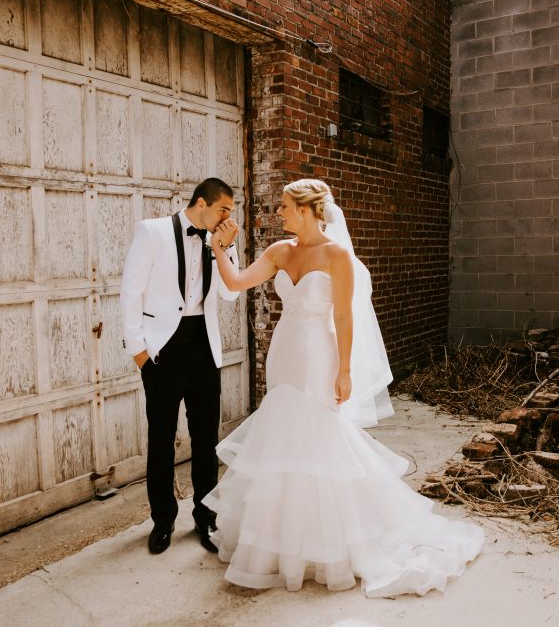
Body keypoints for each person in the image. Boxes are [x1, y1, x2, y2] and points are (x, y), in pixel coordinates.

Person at [203, 178, 483, 598]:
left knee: (320, 435)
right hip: (285, 352)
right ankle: (282, 543)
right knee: (283, 433)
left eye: (283, 206)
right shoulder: (279, 251)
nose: (277, 213)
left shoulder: (337, 256)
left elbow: (347, 319)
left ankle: (332, 543)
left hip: (320, 352)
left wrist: (345, 371)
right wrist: (219, 249)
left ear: (306, 209)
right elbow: (237, 283)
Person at [120, 177, 241, 555]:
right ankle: (163, 519)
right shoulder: (152, 232)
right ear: (202, 203)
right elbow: (130, 291)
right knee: (161, 438)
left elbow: (231, 291)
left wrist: (228, 244)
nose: (227, 218)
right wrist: (140, 353)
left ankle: (205, 518)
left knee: (206, 439)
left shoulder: (217, 238)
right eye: (223, 210)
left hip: (204, 347)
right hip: (163, 349)